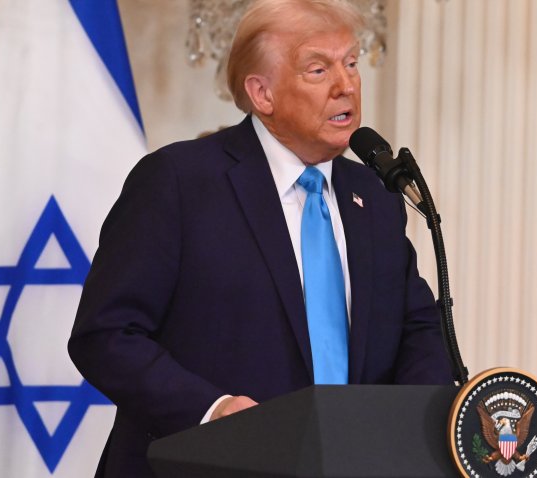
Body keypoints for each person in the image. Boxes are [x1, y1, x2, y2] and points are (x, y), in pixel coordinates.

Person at [68, 0, 453, 475]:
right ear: (262, 93)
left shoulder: (373, 195)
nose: (346, 85)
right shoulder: (180, 182)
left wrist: (400, 428)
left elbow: (418, 329)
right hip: (205, 463)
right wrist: (212, 410)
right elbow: (105, 334)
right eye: (318, 69)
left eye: (351, 63)